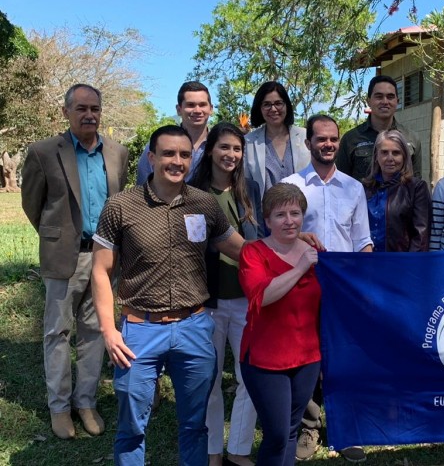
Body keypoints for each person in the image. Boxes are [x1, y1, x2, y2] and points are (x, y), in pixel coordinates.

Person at [91, 125, 246, 466]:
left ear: (193, 159)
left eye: (185, 154)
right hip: (139, 331)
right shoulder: (121, 206)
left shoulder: (204, 203)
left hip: (194, 328)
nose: (177, 161)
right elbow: (101, 271)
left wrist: (291, 250)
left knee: (195, 425)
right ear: (152, 157)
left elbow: (241, 250)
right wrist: (108, 330)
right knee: (132, 426)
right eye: (169, 154)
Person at [21, 83, 129, 439]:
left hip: (104, 258)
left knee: (95, 331)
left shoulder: (116, 153)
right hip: (64, 257)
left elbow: (117, 201)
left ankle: (86, 403)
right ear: (66, 112)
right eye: (81, 108)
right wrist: (58, 236)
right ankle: (59, 408)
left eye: (94, 108)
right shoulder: (43, 152)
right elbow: (32, 205)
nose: (89, 115)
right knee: (57, 332)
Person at [282, 114, 373, 463]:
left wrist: (360, 283)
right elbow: (280, 238)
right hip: (302, 286)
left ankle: (345, 428)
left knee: (344, 357)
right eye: (321, 139)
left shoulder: (353, 187)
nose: (328, 144)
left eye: (333, 139)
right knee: (306, 359)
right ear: (308, 143)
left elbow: (363, 240)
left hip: (344, 290)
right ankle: (308, 427)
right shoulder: (291, 186)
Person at [189, 122, 262, 466]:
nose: (231, 155)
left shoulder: (252, 191)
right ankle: (213, 449)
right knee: (212, 379)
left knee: (250, 376)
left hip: (247, 299)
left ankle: (239, 449)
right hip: (208, 301)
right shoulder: (191, 193)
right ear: (209, 151)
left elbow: (262, 242)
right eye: (224, 148)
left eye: (237, 149)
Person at [238, 183, 321, 466]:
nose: (289, 221)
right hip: (265, 359)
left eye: (295, 213)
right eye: (280, 215)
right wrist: (300, 268)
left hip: (307, 357)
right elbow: (262, 296)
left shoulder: (315, 250)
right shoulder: (253, 253)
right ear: (267, 221)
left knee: (291, 430)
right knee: (275, 434)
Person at [338, 75, 422, 180]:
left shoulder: (411, 138)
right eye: (379, 96)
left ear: (397, 101)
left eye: (390, 97)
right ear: (368, 101)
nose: (385, 102)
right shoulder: (350, 139)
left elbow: (416, 181)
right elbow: (341, 184)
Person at [362, 130, 430, 252]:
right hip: (366, 262)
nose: (390, 158)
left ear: (404, 156)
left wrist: (408, 267)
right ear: (376, 156)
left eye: (396, 153)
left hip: (400, 264)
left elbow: (420, 237)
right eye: (384, 152)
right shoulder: (363, 188)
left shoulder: (417, 188)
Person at [136, 81, 214, 184]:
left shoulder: (220, 146)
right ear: (179, 109)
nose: (197, 110)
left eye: (202, 105)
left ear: (211, 109)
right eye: (190, 105)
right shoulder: (157, 146)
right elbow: (143, 187)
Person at [245, 81, 310, 199]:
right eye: (267, 104)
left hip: (303, 213)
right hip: (264, 215)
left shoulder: (305, 136)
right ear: (259, 108)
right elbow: (246, 186)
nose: (273, 109)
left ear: (286, 105)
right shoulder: (248, 142)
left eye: (278, 103)